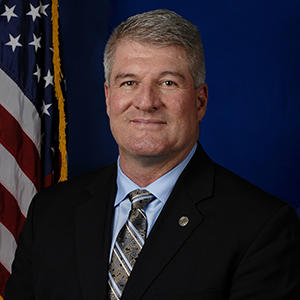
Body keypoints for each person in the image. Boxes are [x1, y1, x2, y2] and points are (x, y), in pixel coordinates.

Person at [5, 9, 300, 300]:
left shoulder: (262, 226)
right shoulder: (50, 212)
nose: (146, 102)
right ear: (109, 98)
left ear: (199, 101)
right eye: (129, 82)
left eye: (168, 82)